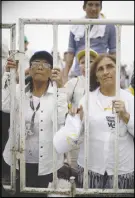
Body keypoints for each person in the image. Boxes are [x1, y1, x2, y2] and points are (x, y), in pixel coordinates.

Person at [54, 54, 134, 189]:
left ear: (118, 71)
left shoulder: (129, 98)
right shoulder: (87, 100)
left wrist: (126, 117)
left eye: (110, 67)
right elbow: (73, 138)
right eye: (100, 69)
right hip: (90, 169)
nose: (106, 72)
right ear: (96, 76)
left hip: (122, 170)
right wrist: (75, 122)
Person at [2, 51, 68, 196]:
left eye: (45, 64)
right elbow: (5, 105)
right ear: (29, 69)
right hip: (20, 159)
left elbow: (61, 120)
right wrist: (9, 74)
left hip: (46, 162)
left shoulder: (56, 95)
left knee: (41, 193)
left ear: (51, 71)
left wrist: (62, 87)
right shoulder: (21, 92)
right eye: (36, 63)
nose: (40, 67)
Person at [63, 1, 116, 83]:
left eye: (97, 5)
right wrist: (65, 74)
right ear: (84, 7)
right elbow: (71, 52)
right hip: (79, 72)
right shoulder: (75, 26)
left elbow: (113, 52)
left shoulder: (109, 25)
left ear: (101, 8)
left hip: (100, 72)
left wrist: (114, 73)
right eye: (90, 4)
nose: (94, 8)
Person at [64, 48, 98, 173]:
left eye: (91, 61)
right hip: (77, 137)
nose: (86, 65)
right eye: (83, 62)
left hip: (96, 136)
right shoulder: (74, 82)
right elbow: (61, 101)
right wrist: (69, 109)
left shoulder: (101, 83)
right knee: (75, 171)